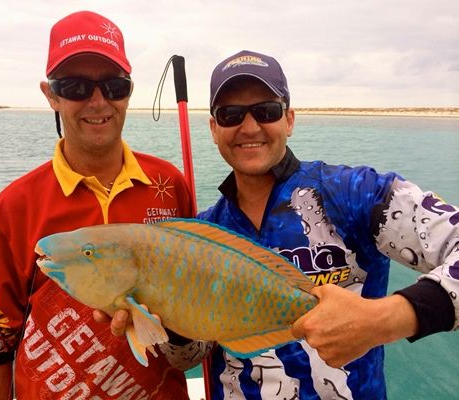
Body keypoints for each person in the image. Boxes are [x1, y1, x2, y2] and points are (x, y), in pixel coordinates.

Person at [195, 49, 459, 399]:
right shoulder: (204, 233)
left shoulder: (354, 194)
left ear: (289, 119)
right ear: (214, 129)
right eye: (230, 114)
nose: (249, 127)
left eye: (266, 111)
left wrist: (385, 319)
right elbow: (189, 353)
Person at [0, 10, 198, 399]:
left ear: (128, 91)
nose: (97, 102)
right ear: (51, 95)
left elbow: (193, 322)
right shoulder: (14, 208)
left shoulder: (169, 184)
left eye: (113, 86)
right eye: (75, 87)